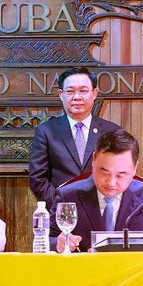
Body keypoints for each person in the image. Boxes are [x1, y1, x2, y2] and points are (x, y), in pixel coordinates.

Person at [50, 129, 143, 253]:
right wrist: (58, 243)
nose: (111, 183)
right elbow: (47, 240)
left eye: (120, 175)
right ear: (94, 159)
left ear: (135, 167)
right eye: (104, 173)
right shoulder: (68, 195)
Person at [29, 67, 120, 206]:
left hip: (101, 210)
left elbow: (120, 173)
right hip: (61, 213)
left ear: (94, 93)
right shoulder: (46, 131)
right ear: (61, 94)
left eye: (83, 91)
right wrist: (62, 207)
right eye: (70, 91)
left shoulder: (112, 132)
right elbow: (38, 179)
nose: (77, 97)